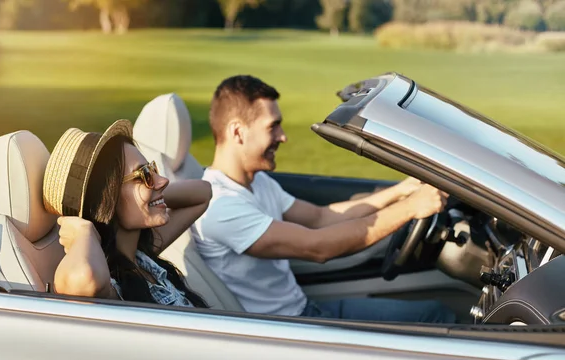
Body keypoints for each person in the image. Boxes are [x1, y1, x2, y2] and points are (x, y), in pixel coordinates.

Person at [191, 75, 456, 323]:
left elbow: (321, 218)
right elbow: (317, 247)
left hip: (305, 310)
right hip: (290, 330)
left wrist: (400, 191)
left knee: (435, 312)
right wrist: (410, 208)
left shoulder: (255, 181)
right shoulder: (221, 206)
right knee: (436, 319)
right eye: (272, 127)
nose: (282, 137)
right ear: (237, 132)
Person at [43, 119, 211, 306]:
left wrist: (152, 196)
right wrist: (84, 230)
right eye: (144, 175)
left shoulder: (141, 256)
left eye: (152, 168)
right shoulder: (111, 286)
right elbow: (85, 279)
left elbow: (203, 193)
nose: (162, 180)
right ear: (107, 199)